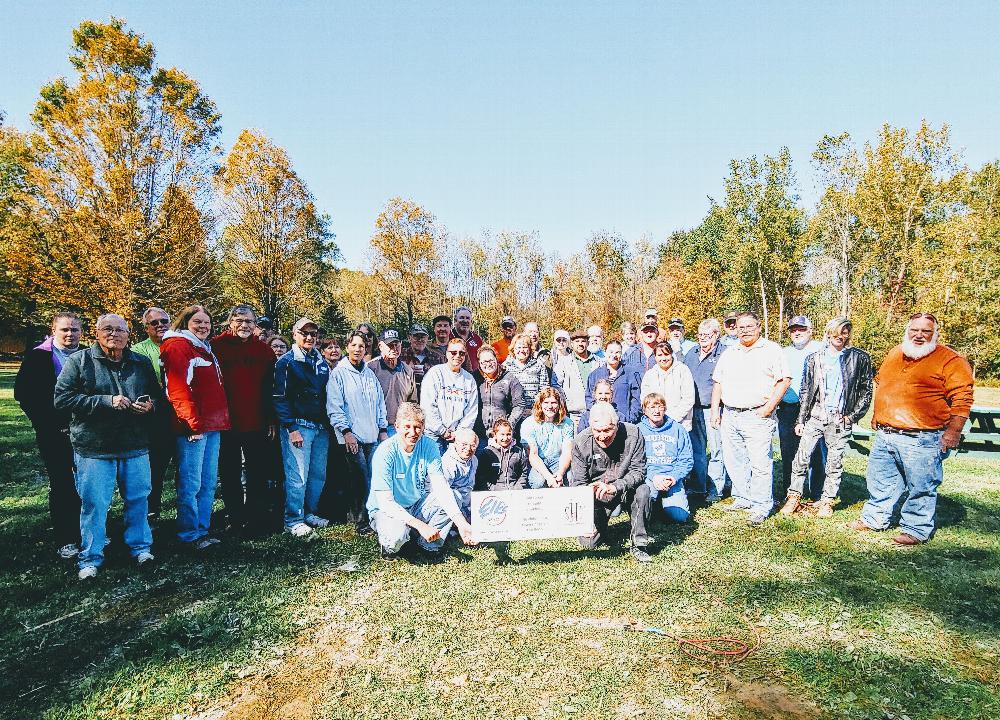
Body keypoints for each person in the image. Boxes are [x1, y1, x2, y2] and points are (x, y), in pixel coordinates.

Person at [847, 313, 974, 545]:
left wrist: (953, 432)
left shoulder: (950, 360)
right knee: (880, 481)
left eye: (926, 331)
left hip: (923, 437)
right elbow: (884, 384)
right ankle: (875, 519)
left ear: (935, 334)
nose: (919, 335)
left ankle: (916, 529)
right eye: (914, 330)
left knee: (921, 486)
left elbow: (962, 399)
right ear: (907, 330)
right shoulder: (896, 353)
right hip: (887, 433)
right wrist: (878, 415)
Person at [53, 314, 161, 579]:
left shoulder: (140, 362)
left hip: (135, 444)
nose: (114, 334)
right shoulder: (80, 361)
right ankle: (90, 557)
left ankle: (140, 548)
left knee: (138, 499)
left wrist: (150, 406)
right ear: (97, 333)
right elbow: (62, 399)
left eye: (120, 330)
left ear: (128, 335)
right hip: (94, 447)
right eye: (108, 329)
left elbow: (157, 397)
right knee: (94, 504)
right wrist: (105, 401)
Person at [780, 317, 873, 518]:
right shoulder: (815, 358)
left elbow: (866, 390)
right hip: (815, 416)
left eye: (845, 332)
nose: (840, 336)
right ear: (828, 333)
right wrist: (801, 420)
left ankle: (827, 501)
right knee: (801, 458)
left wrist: (852, 416)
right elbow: (806, 391)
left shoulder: (859, 358)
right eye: (836, 332)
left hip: (840, 419)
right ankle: (794, 496)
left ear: (848, 334)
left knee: (833, 462)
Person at [710, 311, 791, 527]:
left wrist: (768, 407)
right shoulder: (730, 352)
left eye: (749, 326)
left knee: (760, 462)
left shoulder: (771, 350)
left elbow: (784, 380)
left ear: (759, 327)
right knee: (734, 460)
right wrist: (715, 410)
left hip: (757, 415)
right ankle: (744, 497)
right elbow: (718, 382)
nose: (744, 330)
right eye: (740, 327)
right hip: (730, 414)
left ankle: (762, 505)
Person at [160, 305, 231, 549]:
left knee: (208, 480)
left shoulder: (203, 347)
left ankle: (203, 529)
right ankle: (189, 533)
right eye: (197, 322)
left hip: (212, 426)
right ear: (185, 322)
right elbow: (177, 389)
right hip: (194, 428)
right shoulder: (178, 345)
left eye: (207, 323)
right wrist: (192, 424)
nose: (203, 326)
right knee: (191, 482)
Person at [14, 311, 84, 558]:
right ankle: (67, 538)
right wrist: (50, 424)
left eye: (74, 330)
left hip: (87, 431)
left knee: (88, 484)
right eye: (64, 329)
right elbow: (24, 395)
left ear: (81, 333)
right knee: (63, 483)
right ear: (53, 330)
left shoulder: (87, 354)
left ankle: (90, 532)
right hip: (54, 432)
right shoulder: (38, 357)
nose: (69, 334)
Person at [367, 402, 475, 559]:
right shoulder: (384, 452)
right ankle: (390, 546)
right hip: (386, 510)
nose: (413, 432)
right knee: (396, 536)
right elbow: (385, 503)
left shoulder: (429, 446)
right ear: (397, 426)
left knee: (455, 496)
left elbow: (441, 487)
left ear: (423, 427)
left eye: (417, 427)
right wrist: (420, 525)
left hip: (416, 504)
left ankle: (428, 545)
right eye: (407, 427)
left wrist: (461, 523)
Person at [212, 305, 277, 536]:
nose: (244, 325)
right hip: (226, 422)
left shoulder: (264, 351)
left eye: (249, 321)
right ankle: (234, 516)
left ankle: (256, 517)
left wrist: (271, 419)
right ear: (230, 322)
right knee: (229, 472)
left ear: (255, 324)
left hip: (256, 420)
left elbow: (270, 388)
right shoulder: (216, 347)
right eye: (239, 320)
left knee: (257, 471)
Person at [273, 317, 332, 537]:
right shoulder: (286, 362)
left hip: (321, 428)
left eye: (313, 334)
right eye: (304, 333)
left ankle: (309, 512)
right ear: (294, 335)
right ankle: (293, 519)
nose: (309, 337)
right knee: (298, 475)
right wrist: (290, 427)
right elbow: (279, 397)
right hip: (299, 426)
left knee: (318, 474)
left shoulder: (321, 362)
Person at [570, 403, 651, 562]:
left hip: (626, 488)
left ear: (617, 424)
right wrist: (585, 519)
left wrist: (615, 487)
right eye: (597, 431)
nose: (602, 436)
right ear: (590, 426)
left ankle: (639, 543)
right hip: (597, 495)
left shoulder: (634, 434)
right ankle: (602, 527)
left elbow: (639, 471)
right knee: (588, 543)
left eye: (607, 430)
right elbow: (578, 483)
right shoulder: (580, 442)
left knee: (643, 490)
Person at [327, 330, 388, 535]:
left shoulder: (369, 373)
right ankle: (359, 521)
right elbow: (334, 407)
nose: (358, 349)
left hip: (372, 435)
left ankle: (372, 516)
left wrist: (382, 429)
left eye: (361, 346)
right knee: (359, 478)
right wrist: (346, 432)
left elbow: (380, 404)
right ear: (347, 347)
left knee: (372, 477)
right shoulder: (339, 373)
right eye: (354, 345)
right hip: (351, 436)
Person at [131, 307, 175, 523]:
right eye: (154, 323)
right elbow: (140, 385)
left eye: (164, 321)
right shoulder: (139, 350)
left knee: (187, 469)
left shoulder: (181, 343)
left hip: (184, 416)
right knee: (154, 468)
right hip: (156, 418)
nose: (160, 325)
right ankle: (151, 514)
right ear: (146, 327)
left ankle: (187, 515)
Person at [777, 315, 826, 497]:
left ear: (810, 331)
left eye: (801, 329)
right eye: (793, 329)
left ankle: (816, 493)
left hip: (814, 408)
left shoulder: (822, 349)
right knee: (788, 451)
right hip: (789, 408)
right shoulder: (783, 352)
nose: (797, 332)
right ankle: (790, 492)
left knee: (815, 451)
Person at [683, 319, 727, 502]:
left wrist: (717, 409)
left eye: (707, 336)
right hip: (693, 409)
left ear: (716, 335)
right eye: (700, 335)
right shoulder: (691, 353)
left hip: (714, 409)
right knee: (697, 449)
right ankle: (698, 486)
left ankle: (716, 488)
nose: (702, 339)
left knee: (717, 449)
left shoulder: (724, 353)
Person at [639, 392, 694, 524]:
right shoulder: (638, 430)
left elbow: (686, 460)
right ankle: (655, 503)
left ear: (665, 408)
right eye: (652, 407)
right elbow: (636, 462)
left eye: (660, 406)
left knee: (680, 517)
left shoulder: (678, 429)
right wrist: (653, 476)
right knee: (644, 515)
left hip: (671, 478)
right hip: (649, 477)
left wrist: (673, 477)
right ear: (644, 411)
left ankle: (666, 502)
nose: (656, 411)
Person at [420, 337, 478, 452]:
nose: (457, 356)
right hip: (433, 435)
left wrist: (459, 433)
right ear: (446, 353)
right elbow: (428, 405)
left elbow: (471, 410)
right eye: (453, 352)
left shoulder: (469, 379)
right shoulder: (435, 373)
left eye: (461, 353)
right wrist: (442, 431)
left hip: (457, 437)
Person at [520, 387, 575, 489]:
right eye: (546, 402)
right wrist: (549, 477)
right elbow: (533, 455)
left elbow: (567, 452)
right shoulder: (528, 424)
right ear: (540, 404)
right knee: (538, 482)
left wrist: (560, 473)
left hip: (558, 461)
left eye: (553, 402)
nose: (550, 406)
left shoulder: (568, 423)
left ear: (559, 404)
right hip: (538, 461)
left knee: (570, 477)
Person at [368, 328, 417, 434]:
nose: (394, 348)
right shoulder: (370, 368)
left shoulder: (407, 370)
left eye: (397, 344)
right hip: (375, 428)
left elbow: (412, 403)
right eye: (390, 345)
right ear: (381, 346)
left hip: (400, 428)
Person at [474, 346, 528, 440]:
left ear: (496, 359)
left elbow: (519, 404)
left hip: (502, 436)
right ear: (479, 363)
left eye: (491, 360)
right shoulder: (474, 378)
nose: (488, 364)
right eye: (484, 362)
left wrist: (508, 426)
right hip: (479, 434)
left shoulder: (509, 378)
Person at [640, 342, 695, 431]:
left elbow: (688, 399)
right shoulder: (650, 374)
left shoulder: (683, 370)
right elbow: (645, 399)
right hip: (656, 424)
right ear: (655, 357)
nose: (663, 358)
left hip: (680, 424)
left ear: (671, 354)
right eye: (660, 355)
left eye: (666, 354)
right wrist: (657, 417)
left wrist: (672, 418)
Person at [554, 329, 602, 429]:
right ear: (571, 344)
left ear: (588, 343)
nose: (580, 344)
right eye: (577, 341)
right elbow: (555, 385)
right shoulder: (564, 362)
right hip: (573, 416)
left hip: (596, 413)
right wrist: (564, 403)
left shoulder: (598, 362)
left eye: (583, 341)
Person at [585, 341, 643, 424]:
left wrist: (630, 419)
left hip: (624, 422)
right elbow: (589, 399)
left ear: (621, 354)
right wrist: (596, 417)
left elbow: (636, 399)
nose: (614, 355)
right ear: (605, 353)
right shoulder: (595, 375)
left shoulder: (630, 373)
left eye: (617, 352)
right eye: (611, 352)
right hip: (601, 424)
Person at [502, 334, 551, 423]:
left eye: (525, 347)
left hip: (533, 413)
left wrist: (535, 409)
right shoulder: (505, 367)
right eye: (518, 347)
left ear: (530, 348)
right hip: (511, 414)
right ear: (513, 349)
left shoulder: (539, 365)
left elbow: (544, 390)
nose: (522, 350)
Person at [475, 418, 529, 491]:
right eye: (502, 434)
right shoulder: (487, 452)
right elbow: (481, 476)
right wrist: (493, 488)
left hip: (514, 490)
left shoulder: (518, 451)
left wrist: (518, 488)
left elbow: (523, 472)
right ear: (495, 435)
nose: (505, 438)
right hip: (494, 492)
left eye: (508, 434)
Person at [441, 428, 479, 517]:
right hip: (451, 506)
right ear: (456, 443)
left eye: (473, 445)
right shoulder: (448, 463)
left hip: (467, 505)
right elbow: (443, 494)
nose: (468, 449)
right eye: (464, 444)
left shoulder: (474, 460)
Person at [400, 323, 445, 398]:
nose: (420, 340)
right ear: (409, 338)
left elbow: (444, 379)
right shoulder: (401, 356)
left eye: (423, 337)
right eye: (416, 337)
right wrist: (409, 373)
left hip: (431, 398)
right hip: (407, 399)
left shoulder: (438, 357)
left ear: (427, 338)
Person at [452, 306, 485, 374]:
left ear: (471, 322)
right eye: (461, 318)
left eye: (468, 318)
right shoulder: (449, 336)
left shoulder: (477, 338)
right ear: (455, 321)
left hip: (475, 378)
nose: (465, 321)